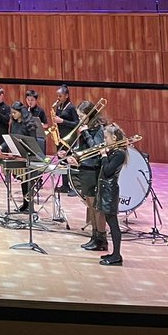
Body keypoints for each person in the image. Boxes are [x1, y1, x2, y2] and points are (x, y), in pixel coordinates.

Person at [64, 100, 108, 252]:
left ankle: (101, 238)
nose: (80, 118)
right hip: (85, 168)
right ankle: (94, 236)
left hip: (95, 170)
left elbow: (96, 148)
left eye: (82, 115)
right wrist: (72, 156)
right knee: (90, 206)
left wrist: (86, 133)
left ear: (90, 114)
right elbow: (83, 149)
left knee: (97, 208)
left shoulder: (99, 129)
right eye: (79, 115)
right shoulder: (87, 128)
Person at [91, 122, 128, 266]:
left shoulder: (119, 153)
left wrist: (104, 155)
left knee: (113, 224)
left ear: (114, 138)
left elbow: (107, 170)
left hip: (110, 191)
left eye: (106, 137)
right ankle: (114, 253)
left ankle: (117, 255)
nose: (104, 140)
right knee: (110, 222)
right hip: (105, 190)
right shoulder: (114, 152)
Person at [6, 101, 38, 212]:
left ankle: (30, 205)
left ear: (21, 112)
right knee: (23, 180)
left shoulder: (29, 124)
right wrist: (1, 147)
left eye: (14, 113)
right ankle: (25, 204)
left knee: (28, 180)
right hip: (19, 155)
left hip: (29, 156)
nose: (13, 115)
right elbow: (12, 137)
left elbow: (33, 142)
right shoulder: (14, 123)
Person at [51, 85, 79, 193]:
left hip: (70, 138)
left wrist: (62, 121)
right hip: (60, 137)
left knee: (70, 161)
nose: (58, 98)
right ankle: (65, 185)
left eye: (60, 96)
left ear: (66, 96)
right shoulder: (58, 106)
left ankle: (73, 186)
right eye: (57, 96)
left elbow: (76, 124)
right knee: (62, 161)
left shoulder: (71, 107)